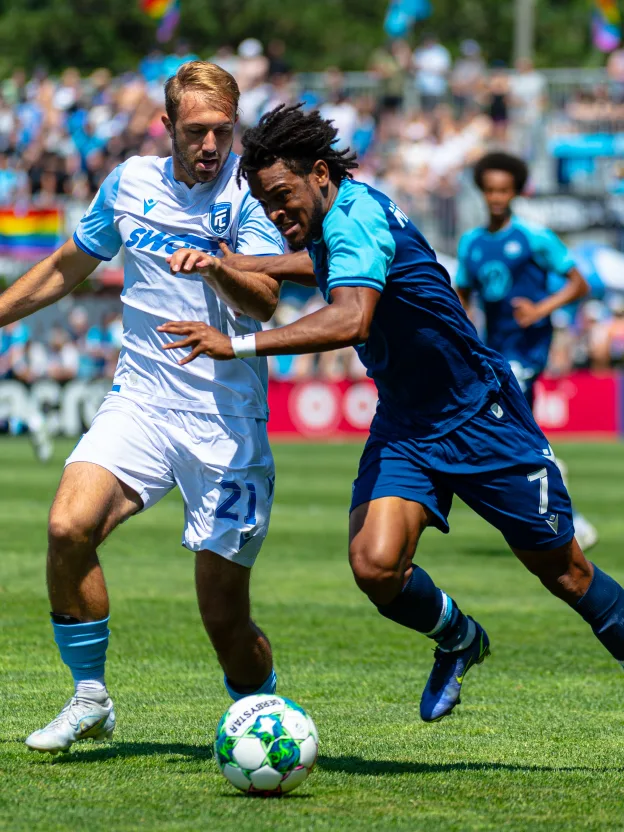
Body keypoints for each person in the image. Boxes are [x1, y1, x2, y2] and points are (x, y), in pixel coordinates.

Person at [158, 104, 624, 724]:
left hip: (479, 416)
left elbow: (352, 318)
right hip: (407, 423)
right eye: (265, 204)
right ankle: (459, 638)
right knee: (375, 567)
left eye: (281, 197)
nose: (274, 214)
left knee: (566, 574)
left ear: (319, 173)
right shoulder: (335, 218)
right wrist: (238, 262)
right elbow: (319, 264)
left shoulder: (356, 217)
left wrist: (237, 343)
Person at [0, 60, 284, 755]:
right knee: (68, 526)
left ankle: (263, 713)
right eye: (196, 131)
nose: (211, 145)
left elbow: (267, 302)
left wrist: (217, 265)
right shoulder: (130, 183)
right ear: (167, 126)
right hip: (142, 401)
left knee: (224, 620)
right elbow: (69, 264)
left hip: (227, 422)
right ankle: (89, 697)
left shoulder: (249, 195)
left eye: (223, 130)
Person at [455, 152, 598, 551]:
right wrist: (464, 333)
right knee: (516, 437)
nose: (496, 198)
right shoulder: (471, 243)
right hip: (494, 352)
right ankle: (557, 507)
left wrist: (540, 310)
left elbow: (578, 284)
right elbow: (462, 294)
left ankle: (562, 512)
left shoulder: (534, 237)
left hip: (528, 351)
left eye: (504, 190)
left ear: (515, 192)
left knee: (510, 431)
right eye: (490, 190)